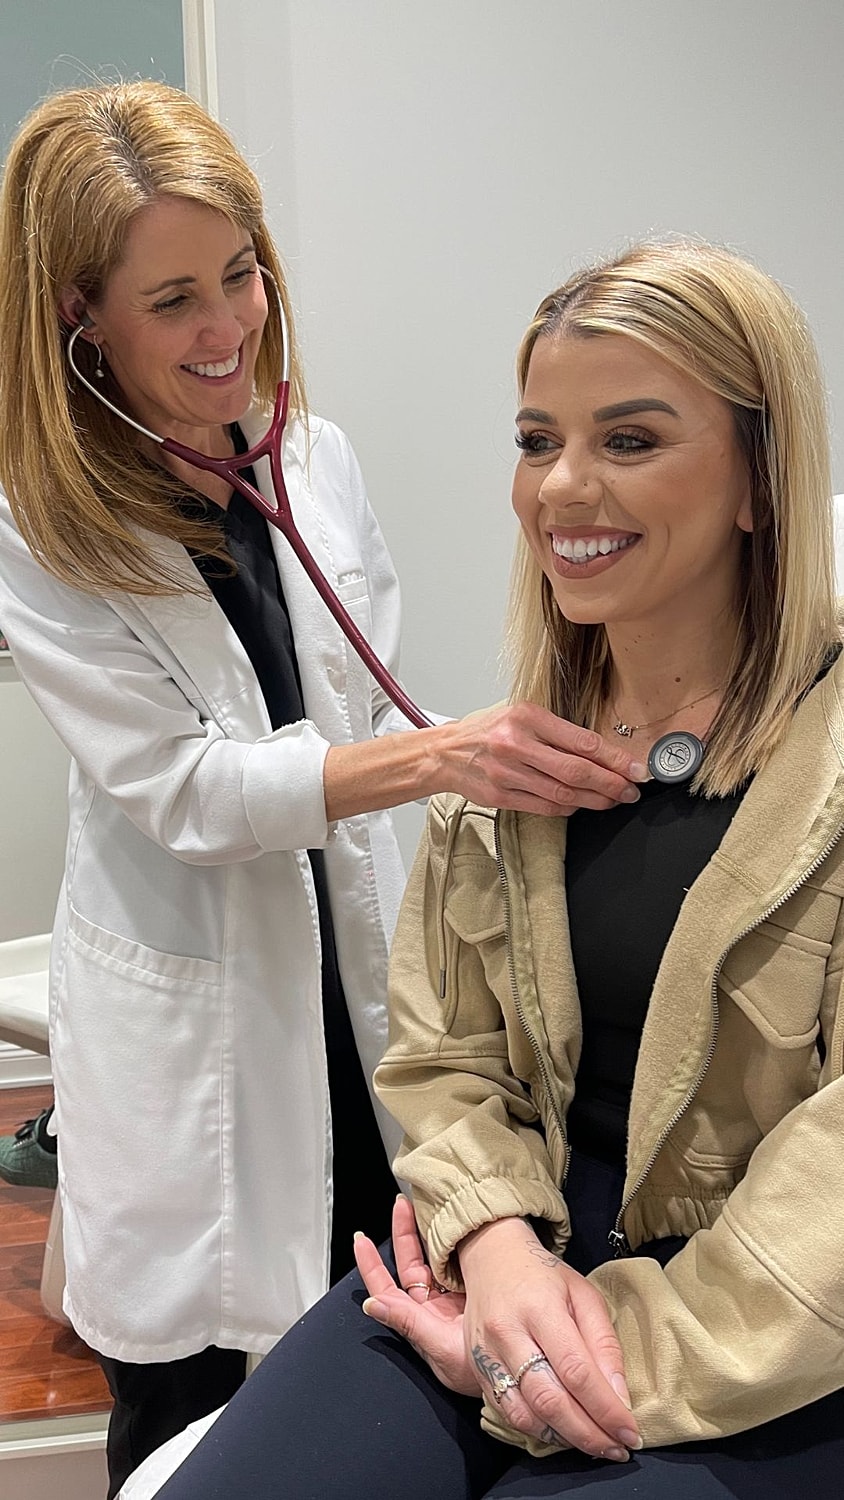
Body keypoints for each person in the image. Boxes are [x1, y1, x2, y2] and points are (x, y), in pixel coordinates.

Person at [0, 82, 646, 1496]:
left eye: (239, 274)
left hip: (365, 988)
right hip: (199, 1011)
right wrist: (446, 755)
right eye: (171, 301)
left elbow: (356, 700)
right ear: (77, 312)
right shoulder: (37, 526)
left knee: (376, 1341)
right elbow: (184, 791)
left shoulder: (313, 456)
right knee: (187, 1394)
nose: (227, 328)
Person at [148, 239, 844, 1500]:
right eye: (536, 441)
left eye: (628, 441)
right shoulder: (516, 764)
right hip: (509, 1246)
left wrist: (559, 1352)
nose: (562, 488)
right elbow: (444, 1056)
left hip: (761, 1324)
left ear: (758, 480)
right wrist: (502, 1248)